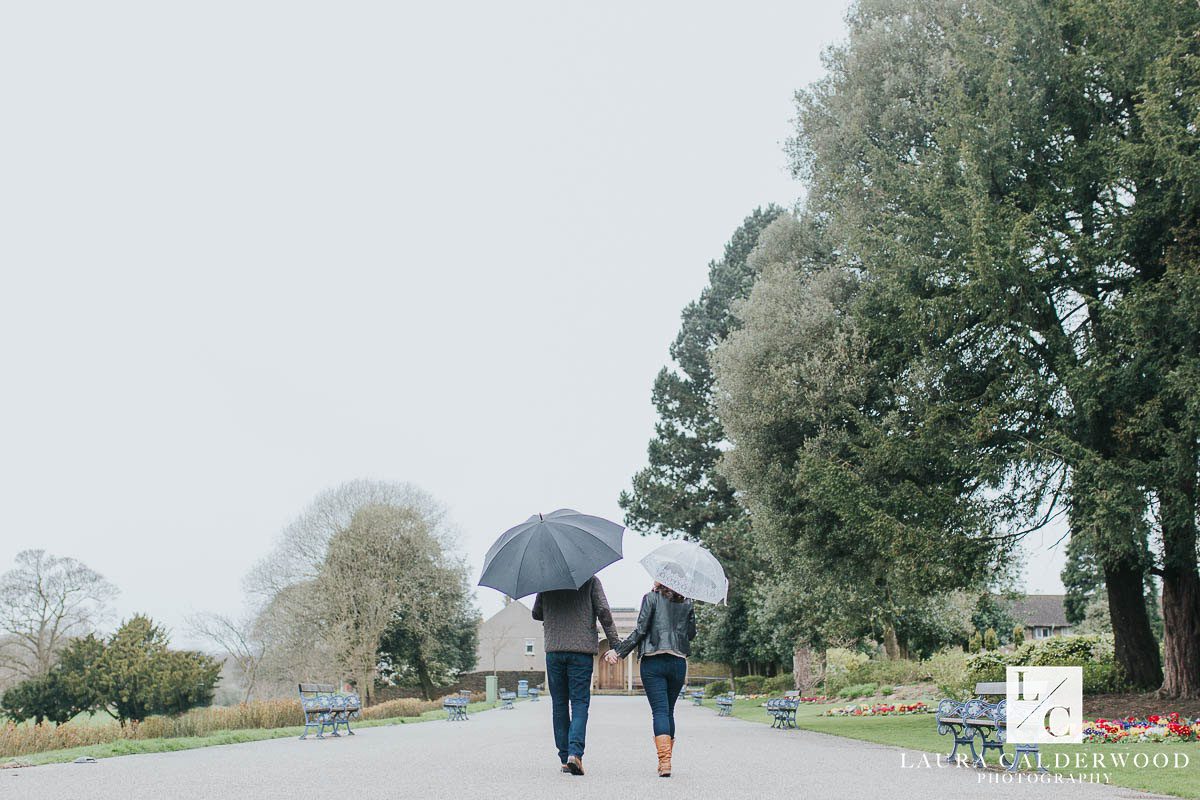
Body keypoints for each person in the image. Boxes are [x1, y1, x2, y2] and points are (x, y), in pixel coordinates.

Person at [532, 575, 621, 776]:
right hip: (580, 651)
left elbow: (537, 613)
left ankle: (565, 758)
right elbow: (604, 612)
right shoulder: (590, 580)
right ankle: (575, 753)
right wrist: (615, 643)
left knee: (559, 705)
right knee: (580, 703)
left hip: (555, 649)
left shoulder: (546, 580)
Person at [606, 581, 696, 777]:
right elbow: (691, 634)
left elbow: (641, 630)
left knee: (660, 712)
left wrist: (619, 651)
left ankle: (664, 763)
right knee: (668, 711)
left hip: (653, 661)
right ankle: (666, 762)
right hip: (677, 662)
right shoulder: (688, 601)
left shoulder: (651, 598)